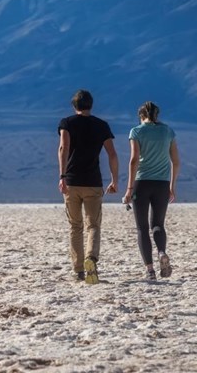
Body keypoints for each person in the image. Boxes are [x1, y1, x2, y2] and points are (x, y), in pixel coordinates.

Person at [58, 90, 119, 284]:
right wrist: (114, 180)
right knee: (93, 225)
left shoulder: (67, 123)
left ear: (74, 106)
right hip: (93, 183)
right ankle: (91, 258)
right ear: (91, 105)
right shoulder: (101, 125)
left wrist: (62, 176)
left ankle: (78, 271)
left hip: (72, 182)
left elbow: (63, 148)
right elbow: (112, 154)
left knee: (75, 226)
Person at [122, 101, 180, 281]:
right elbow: (176, 161)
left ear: (141, 116)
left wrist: (129, 189)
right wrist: (172, 186)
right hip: (162, 183)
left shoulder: (137, 131)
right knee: (158, 224)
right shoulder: (168, 131)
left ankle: (150, 271)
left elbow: (133, 160)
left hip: (142, 183)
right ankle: (162, 251)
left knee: (142, 228)